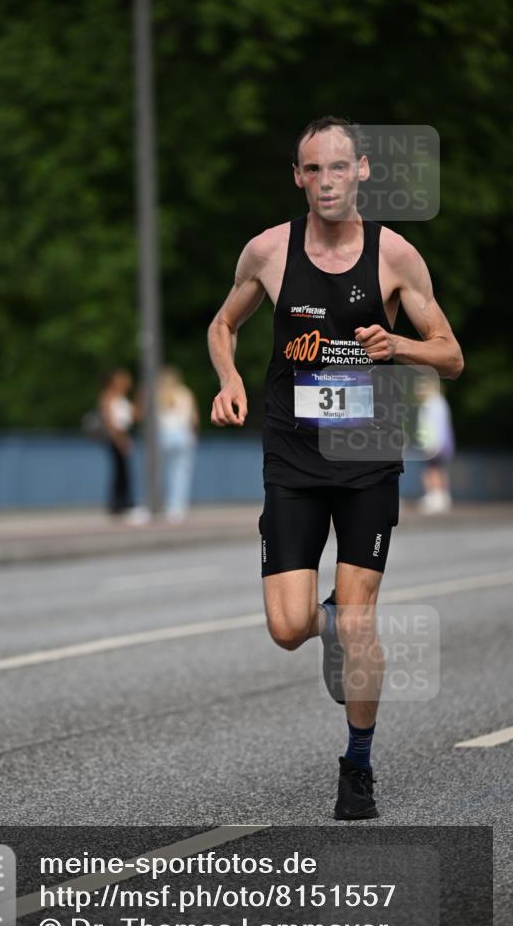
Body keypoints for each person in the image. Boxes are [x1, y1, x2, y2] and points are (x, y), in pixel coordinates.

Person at [207, 116, 463, 820]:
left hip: (366, 455)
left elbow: (449, 353)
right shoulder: (266, 251)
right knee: (289, 627)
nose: (325, 181)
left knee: (358, 622)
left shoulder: (393, 257)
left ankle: (357, 766)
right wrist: (228, 380)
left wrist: (398, 347)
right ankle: (325, 622)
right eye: (312, 170)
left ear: (361, 171)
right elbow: (222, 324)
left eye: (337, 168)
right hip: (291, 455)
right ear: (298, 177)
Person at [157, 366, 199, 522]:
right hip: (183, 434)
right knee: (181, 473)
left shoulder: (158, 393)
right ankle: (177, 508)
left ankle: (159, 504)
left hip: (163, 435)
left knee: (161, 472)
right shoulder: (185, 393)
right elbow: (193, 418)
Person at [415, 374, 455, 514]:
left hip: (434, 444)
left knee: (431, 471)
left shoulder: (432, 404)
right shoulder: (439, 402)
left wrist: (429, 444)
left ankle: (435, 496)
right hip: (441, 443)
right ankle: (441, 496)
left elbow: (432, 427)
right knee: (439, 469)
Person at [99, 368, 136, 517]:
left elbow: (134, 416)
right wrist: (119, 439)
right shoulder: (108, 397)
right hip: (115, 437)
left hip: (124, 436)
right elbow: (109, 420)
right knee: (119, 470)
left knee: (125, 471)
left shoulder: (123, 398)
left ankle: (124, 502)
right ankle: (117, 503)